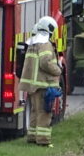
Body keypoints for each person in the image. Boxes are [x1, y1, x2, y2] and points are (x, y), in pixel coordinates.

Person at [17, 17, 62, 147]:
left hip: (33, 85)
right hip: (43, 84)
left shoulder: (32, 42)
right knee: (44, 112)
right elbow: (45, 62)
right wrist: (58, 70)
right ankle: (43, 140)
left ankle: (32, 137)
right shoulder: (45, 43)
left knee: (35, 112)